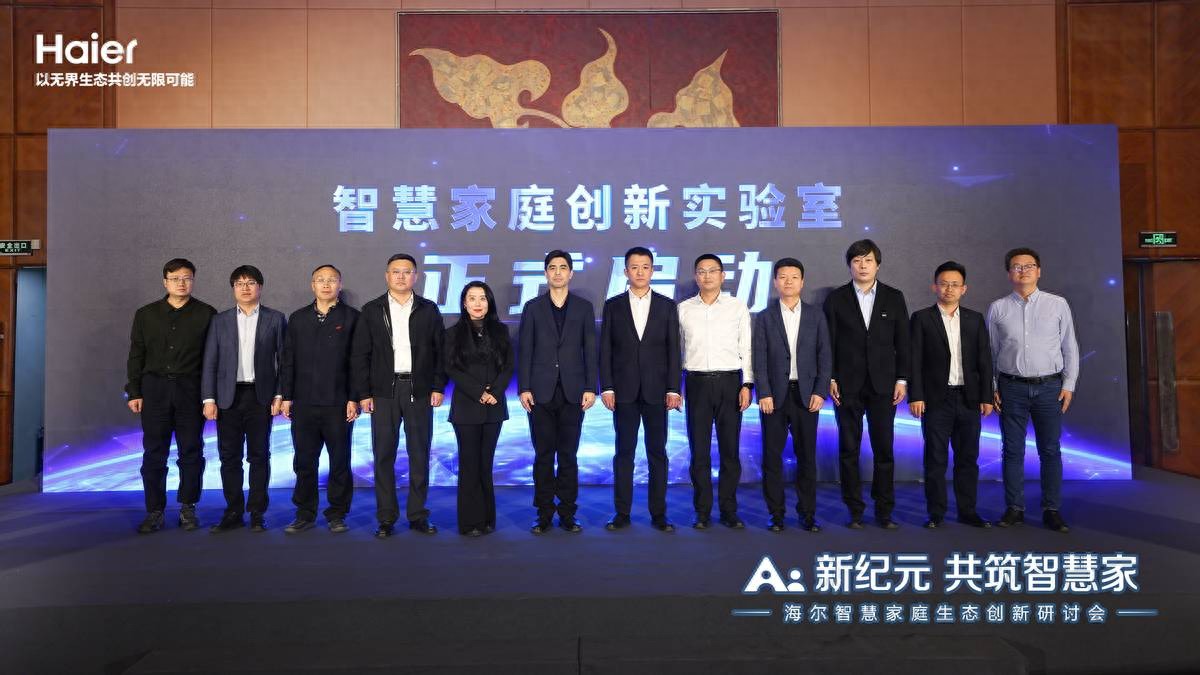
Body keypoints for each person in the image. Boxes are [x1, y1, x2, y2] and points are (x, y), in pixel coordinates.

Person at [352, 253, 447, 538]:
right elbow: (360, 355)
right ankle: (386, 518)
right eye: (396, 271)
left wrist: (437, 386)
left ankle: (418, 515)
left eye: (407, 272)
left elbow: (440, 351)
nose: (401, 276)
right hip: (384, 391)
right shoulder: (372, 310)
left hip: (419, 390)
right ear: (387, 276)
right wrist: (364, 393)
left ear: (416, 276)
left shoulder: (428, 309)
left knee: (420, 454)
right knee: (383, 455)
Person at [987, 247, 1079, 533]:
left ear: (1039, 271)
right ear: (1009, 273)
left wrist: (1069, 384)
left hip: (1050, 387)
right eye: (1016, 266)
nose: (1023, 271)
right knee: (1012, 450)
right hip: (1010, 387)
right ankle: (1014, 508)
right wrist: (992, 386)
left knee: (1050, 450)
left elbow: (1070, 346)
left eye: (1028, 266)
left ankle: (1051, 509)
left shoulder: (1058, 304)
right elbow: (990, 352)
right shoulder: (998, 308)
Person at [823, 239, 910, 529]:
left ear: (878, 265)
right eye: (857, 261)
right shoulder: (836, 299)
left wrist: (902, 379)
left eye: (868, 260)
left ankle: (884, 510)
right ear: (850, 265)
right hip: (846, 386)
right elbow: (828, 343)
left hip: (884, 386)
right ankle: (855, 510)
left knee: (884, 449)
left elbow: (903, 342)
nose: (863, 266)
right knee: (849, 449)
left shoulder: (893, 297)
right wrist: (831, 377)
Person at [126, 258, 216, 534]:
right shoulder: (146, 314)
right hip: (154, 391)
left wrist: (209, 397)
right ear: (165, 282)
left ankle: (188, 507)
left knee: (192, 451)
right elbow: (136, 354)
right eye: (175, 278)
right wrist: (134, 391)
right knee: (154, 452)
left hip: (191, 391)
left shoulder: (206, 313)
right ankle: (154, 510)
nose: (181, 283)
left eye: (187, 278)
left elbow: (212, 360)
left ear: (193, 281)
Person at [599, 246, 682, 532]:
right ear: (626, 271)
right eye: (634, 267)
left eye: (645, 267)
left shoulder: (666, 305)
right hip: (623, 392)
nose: (640, 272)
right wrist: (607, 387)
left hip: (657, 392)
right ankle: (622, 513)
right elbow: (605, 349)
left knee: (657, 453)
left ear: (652, 270)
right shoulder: (613, 305)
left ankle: (659, 514)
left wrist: (673, 388)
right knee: (624, 453)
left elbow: (674, 350)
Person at [908, 261, 994, 530]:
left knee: (968, 458)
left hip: (969, 398)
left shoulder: (975, 319)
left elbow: (984, 360)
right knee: (935, 458)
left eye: (955, 284)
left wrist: (986, 396)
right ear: (934, 286)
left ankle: (968, 511)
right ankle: (936, 513)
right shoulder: (922, 318)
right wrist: (916, 395)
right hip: (936, 400)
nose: (949, 289)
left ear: (964, 289)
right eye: (944, 283)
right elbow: (914, 360)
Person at [200, 265, 286, 533]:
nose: (245, 288)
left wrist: (280, 394)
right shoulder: (220, 320)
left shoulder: (275, 318)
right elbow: (210, 362)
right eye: (239, 283)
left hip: (261, 397)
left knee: (259, 456)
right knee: (229, 457)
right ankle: (233, 511)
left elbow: (284, 362)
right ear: (233, 288)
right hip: (228, 398)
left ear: (260, 287)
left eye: (250, 283)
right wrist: (208, 398)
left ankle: (257, 512)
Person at [517, 250, 597, 535]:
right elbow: (525, 349)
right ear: (546, 273)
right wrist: (524, 387)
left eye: (563, 267)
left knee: (568, 456)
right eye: (552, 267)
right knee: (543, 455)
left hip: (574, 393)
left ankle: (567, 513)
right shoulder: (533, 307)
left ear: (571, 273)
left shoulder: (584, 308)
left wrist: (591, 387)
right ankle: (543, 513)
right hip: (540, 393)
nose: (558, 272)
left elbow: (590, 350)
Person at [752, 257, 831, 533]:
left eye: (794, 277)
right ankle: (776, 514)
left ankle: (807, 514)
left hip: (807, 396)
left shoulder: (816, 315)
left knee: (807, 458)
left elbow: (825, 355)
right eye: (783, 277)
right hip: (774, 397)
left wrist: (821, 391)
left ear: (802, 281)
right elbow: (759, 357)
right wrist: (763, 392)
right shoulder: (765, 316)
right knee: (771, 457)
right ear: (775, 282)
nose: (788, 281)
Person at [279, 265, 360, 534]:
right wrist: (287, 396)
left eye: (332, 280)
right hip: (303, 403)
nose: (326, 285)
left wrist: (354, 397)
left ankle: (337, 513)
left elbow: (358, 362)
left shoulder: (352, 318)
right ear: (312, 285)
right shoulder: (298, 318)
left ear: (340, 284)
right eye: (320, 280)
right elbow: (288, 360)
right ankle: (305, 513)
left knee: (340, 461)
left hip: (339, 403)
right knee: (304, 462)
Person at [677, 254, 753, 530]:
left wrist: (747, 384)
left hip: (730, 383)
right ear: (695, 276)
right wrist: (676, 387)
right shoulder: (683, 309)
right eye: (701, 271)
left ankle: (729, 510)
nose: (707, 276)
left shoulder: (737, 307)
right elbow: (677, 351)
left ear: (723, 276)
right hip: (696, 383)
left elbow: (747, 348)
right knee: (699, 452)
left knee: (730, 451)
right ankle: (702, 511)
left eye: (712, 271)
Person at [445, 282, 514, 536]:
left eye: (482, 298)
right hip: (466, 407)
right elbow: (452, 368)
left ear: (489, 302)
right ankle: (469, 522)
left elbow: (508, 366)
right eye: (472, 298)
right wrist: (479, 392)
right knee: (469, 465)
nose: (477, 303)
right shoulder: (452, 334)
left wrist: (494, 392)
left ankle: (487, 520)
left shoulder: (501, 331)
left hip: (494, 408)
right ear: (464, 303)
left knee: (486, 464)